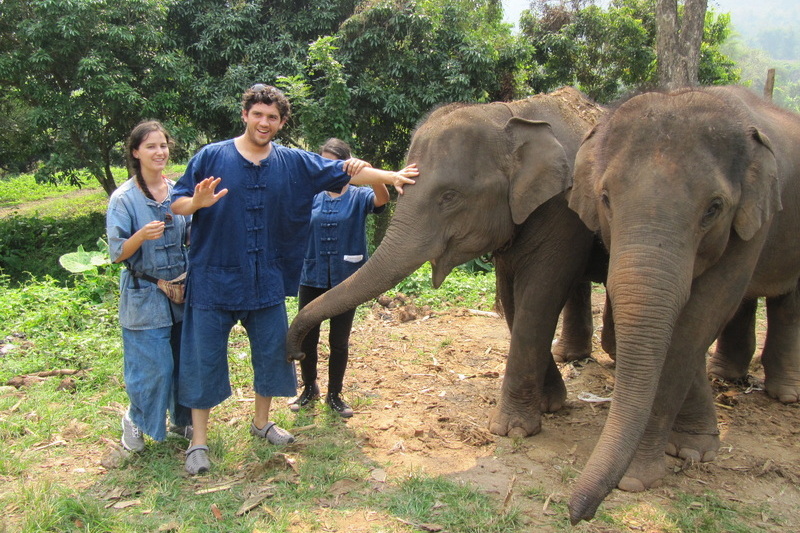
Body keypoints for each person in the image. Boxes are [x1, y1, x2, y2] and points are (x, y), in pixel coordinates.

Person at [171, 84, 418, 475]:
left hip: (266, 279)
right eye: (258, 114)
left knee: (272, 355)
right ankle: (198, 443)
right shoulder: (211, 156)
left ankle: (261, 422)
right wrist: (197, 203)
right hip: (214, 280)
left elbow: (345, 172)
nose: (264, 122)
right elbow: (178, 202)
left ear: (281, 123)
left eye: (272, 117)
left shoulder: (293, 162)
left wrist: (392, 175)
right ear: (245, 115)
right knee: (203, 360)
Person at [106, 120, 193, 452]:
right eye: (151, 146)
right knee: (153, 366)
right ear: (135, 152)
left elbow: (189, 235)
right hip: (144, 295)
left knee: (183, 362)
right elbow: (117, 254)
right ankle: (136, 420)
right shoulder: (124, 199)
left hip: (180, 293)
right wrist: (141, 236)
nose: (160, 152)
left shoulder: (177, 192)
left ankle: (181, 420)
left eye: (163, 145)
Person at [290, 138, 389, 418]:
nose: (330, 169)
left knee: (339, 340)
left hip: (348, 279)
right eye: (325, 163)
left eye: (336, 163)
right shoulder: (313, 196)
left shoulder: (359, 196)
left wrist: (370, 173)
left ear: (347, 165)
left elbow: (382, 200)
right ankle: (309, 388)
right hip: (311, 275)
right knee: (308, 335)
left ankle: (335, 394)